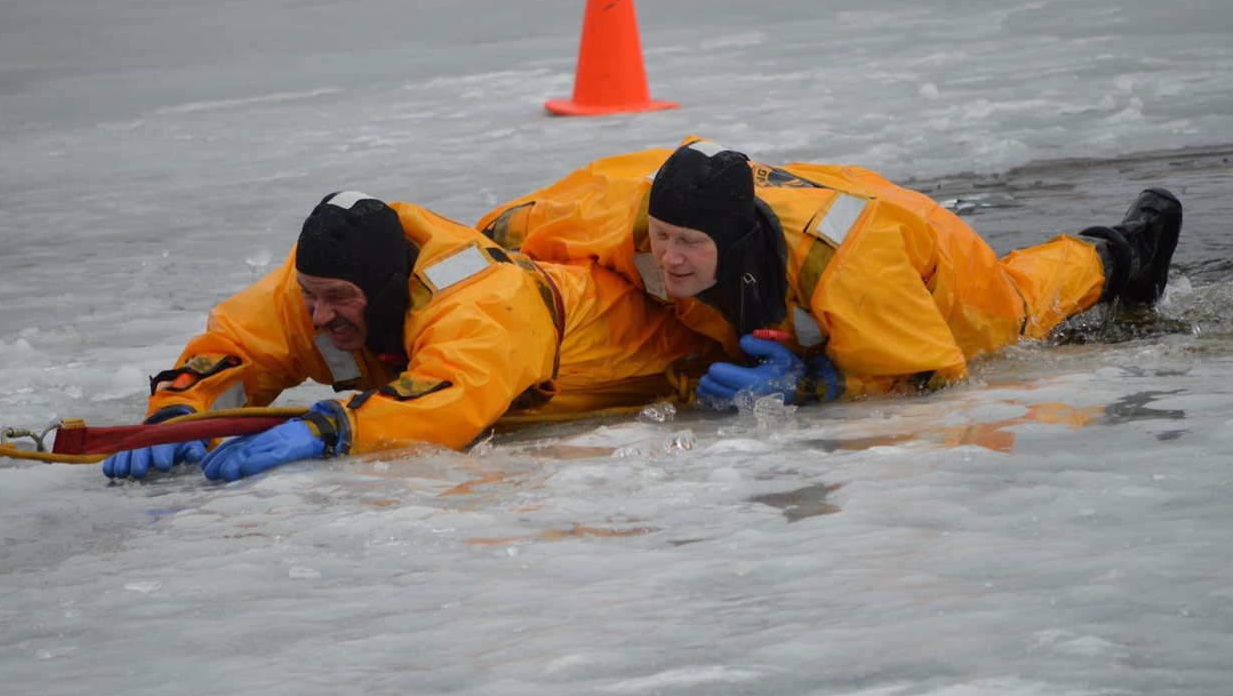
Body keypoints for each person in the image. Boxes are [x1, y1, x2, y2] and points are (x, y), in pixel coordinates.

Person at [477, 136, 1183, 409]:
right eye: (660, 237)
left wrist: (811, 382)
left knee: (1015, 309)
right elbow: (528, 220)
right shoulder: (634, 212)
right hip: (814, 198)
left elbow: (933, 375)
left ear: (731, 236)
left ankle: (1120, 250)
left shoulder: (846, 263)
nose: (667, 258)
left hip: (923, 260)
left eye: (689, 243)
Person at [104, 191, 718, 481]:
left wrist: (335, 427)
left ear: (391, 288)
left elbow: (454, 394)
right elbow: (238, 344)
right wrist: (181, 407)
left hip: (691, 343)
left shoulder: (485, 303)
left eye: (340, 299)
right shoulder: (320, 284)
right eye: (311, 295)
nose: (320, 316)